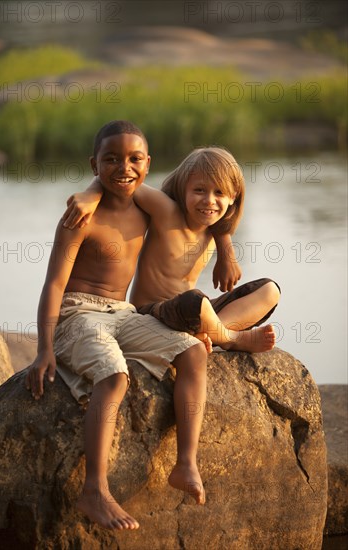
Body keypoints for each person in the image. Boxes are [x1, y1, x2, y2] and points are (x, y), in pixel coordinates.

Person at [25, 121, 211, 532]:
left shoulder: (147, 208)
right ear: (94, 164)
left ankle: (186, 463)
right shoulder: (80, 217)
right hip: (77, 312)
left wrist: (229, 250)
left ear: (148, 165)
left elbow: (208, 214)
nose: (123, 167)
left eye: (133, 159)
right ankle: (94, 488)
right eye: (110, 159)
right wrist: (44, 349)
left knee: (194, 352)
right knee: (114, 374)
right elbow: (54, 283)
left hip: (122, 311)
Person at [63, 147, 280, 353]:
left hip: (193, 315)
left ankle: (213, 333)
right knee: (196, 301)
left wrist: (227, 255)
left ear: (232, 197)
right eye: (199, 190)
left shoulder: (215, 227)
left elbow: (222, 228)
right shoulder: (166, 211)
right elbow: (120, 181)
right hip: (151, 315)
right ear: (183, 188)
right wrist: (90, 196)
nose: (209, 201)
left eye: (219, 192)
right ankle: (231, 339)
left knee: (270, 291)